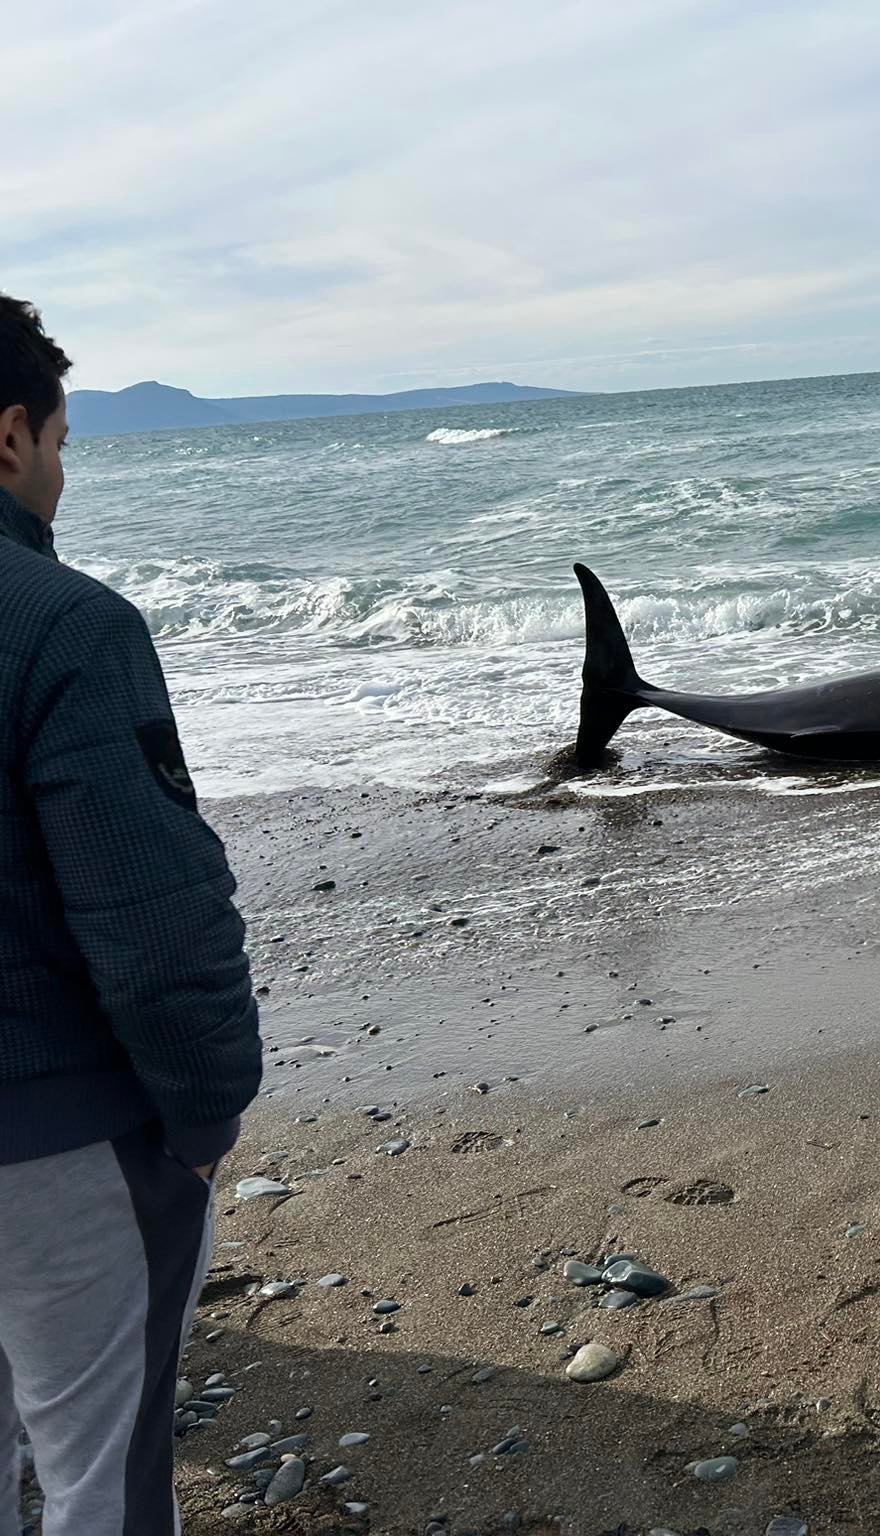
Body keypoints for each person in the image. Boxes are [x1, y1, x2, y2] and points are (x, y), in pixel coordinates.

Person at [0, 294, 262, 1533]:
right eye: (62, 441)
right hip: (56, 1134)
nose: (61, 472)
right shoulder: (65, 627)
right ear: (12, 439)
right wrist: (206, 1113)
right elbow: (155, 924)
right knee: (101, 1474)